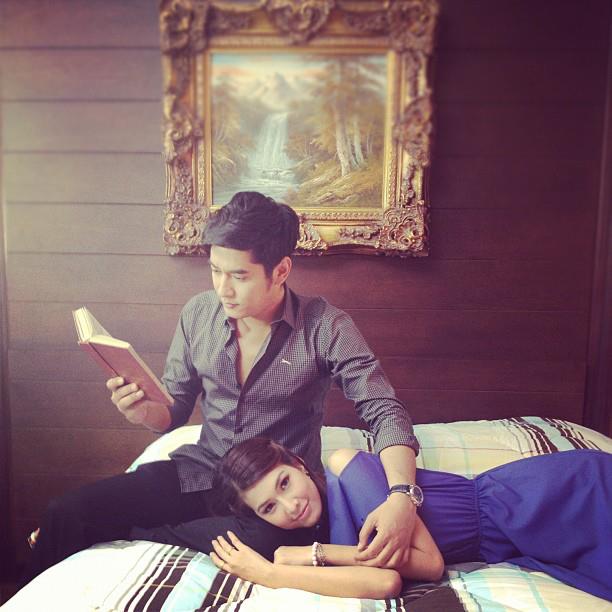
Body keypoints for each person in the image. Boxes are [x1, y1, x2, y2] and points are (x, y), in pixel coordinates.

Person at [21, 191, 419, 587]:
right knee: (65, 511)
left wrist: (402, 495)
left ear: (281, 270)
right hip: (202, 472)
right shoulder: (198, 313)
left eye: (239, 276)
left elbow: (384, 410)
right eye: (216, 271)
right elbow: (172, 412)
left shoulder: (326, 326)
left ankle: (137, 532)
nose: (223, 289)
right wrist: (142, 410)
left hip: (271, 495)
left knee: (270, 545)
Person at [208, 437, 612, 601]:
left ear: (298, 464)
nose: (290, 505)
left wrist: (314, 554)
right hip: (510, 541)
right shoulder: (322, 537)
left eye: (284, 483)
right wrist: (272, 573)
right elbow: (384, 582)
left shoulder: (344, 464)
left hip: (545, 497)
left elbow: (429, 564)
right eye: (269, 508)